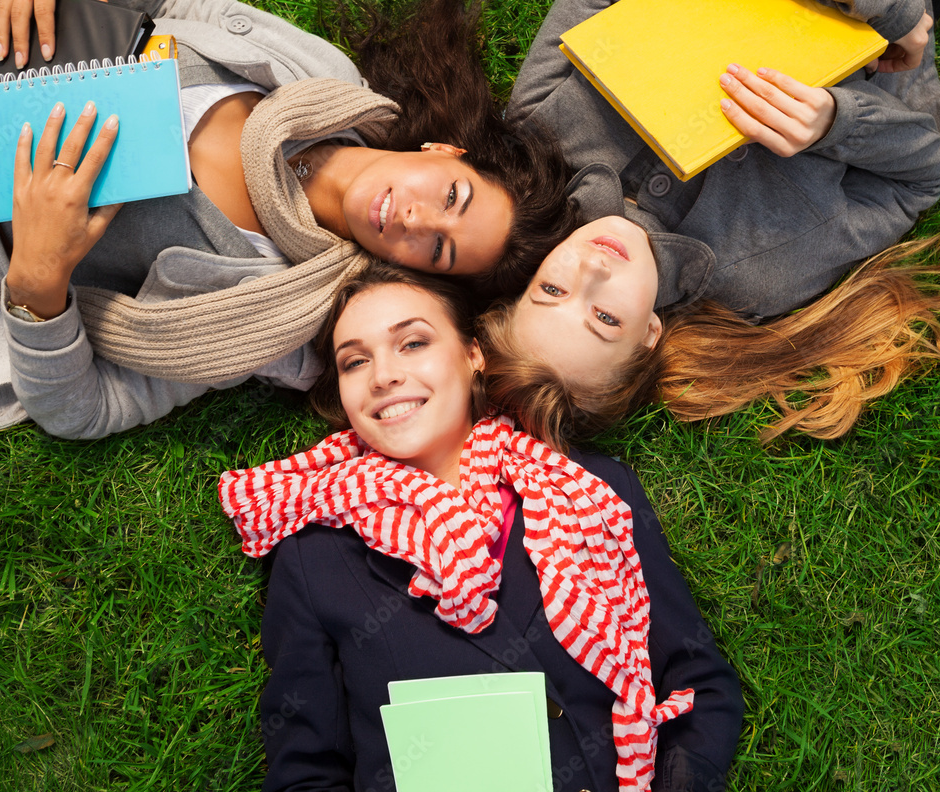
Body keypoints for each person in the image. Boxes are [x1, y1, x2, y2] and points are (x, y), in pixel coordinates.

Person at [0, 0, 577, 440]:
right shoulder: (320, 76)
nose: (416, 219)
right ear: (443, 153)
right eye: (452, 198)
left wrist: (37, 278)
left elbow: (85, 411)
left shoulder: (267, 309)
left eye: (437, 250)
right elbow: (173, 0)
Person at [478, 0, 940, 447]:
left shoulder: (539, 134)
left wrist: (886, 2)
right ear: (648, 335)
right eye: (605, 318)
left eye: (552, 290)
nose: (591, 271)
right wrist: (837, 123)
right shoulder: (758, 276)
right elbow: (920, 176)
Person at [218, 263, 743, 792]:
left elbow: (698, 682)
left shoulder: (593, 491)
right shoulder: (315, 559)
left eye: (413, 343)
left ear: (474, 355)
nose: (382, 376)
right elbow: (306, 772)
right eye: (355, 361)